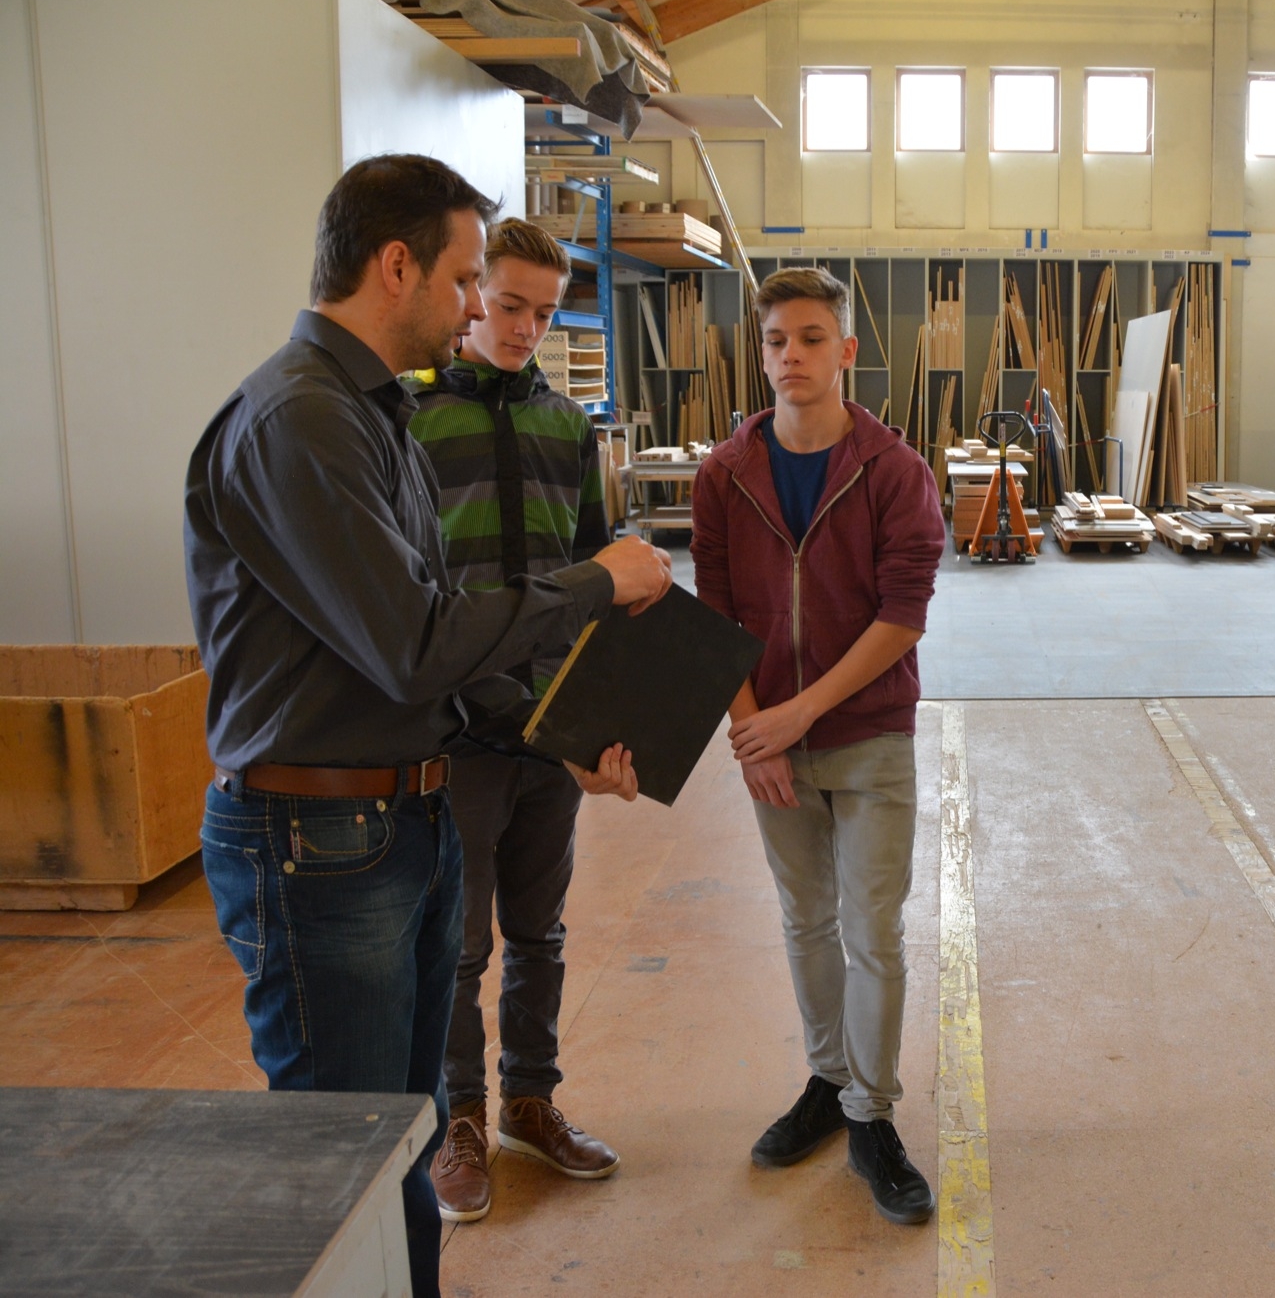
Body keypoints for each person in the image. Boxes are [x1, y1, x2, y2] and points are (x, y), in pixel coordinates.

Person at [184, 155, 670, 1297]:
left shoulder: (373, 412)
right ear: (395, 266)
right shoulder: (302, 420)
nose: (473, 308)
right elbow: (416, 643)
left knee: (393, 1147)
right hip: (319, 843)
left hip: (401, 815)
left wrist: (565, 736)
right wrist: (595, 581)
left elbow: (430, 643)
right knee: (344, 1167)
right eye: (464, 281)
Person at [691, 266, 947, 1225]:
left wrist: (800, 714)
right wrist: (754, 731)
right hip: (770, 736)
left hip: (868, 732)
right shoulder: (725, 474)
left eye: (809, 338)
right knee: (805, 921)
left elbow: (903, 615)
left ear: (846, 350)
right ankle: (828, 1079)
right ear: (759, 354)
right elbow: (716, 612)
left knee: (871, 930)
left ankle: (871, 1116)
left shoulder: (895, 471)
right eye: (775, 341)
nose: (790, 355)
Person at [405, 218, 621, 1224]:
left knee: (540, 931)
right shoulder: (413, 424)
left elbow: (596, 581)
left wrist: (591, 722)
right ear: (472, 298)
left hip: (547, 731)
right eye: (509, 305)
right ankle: (459, 1122)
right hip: (454, 737)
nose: (527, 326)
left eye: (544, 311)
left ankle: (529, 1101)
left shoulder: (570, 429)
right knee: (457, 947)